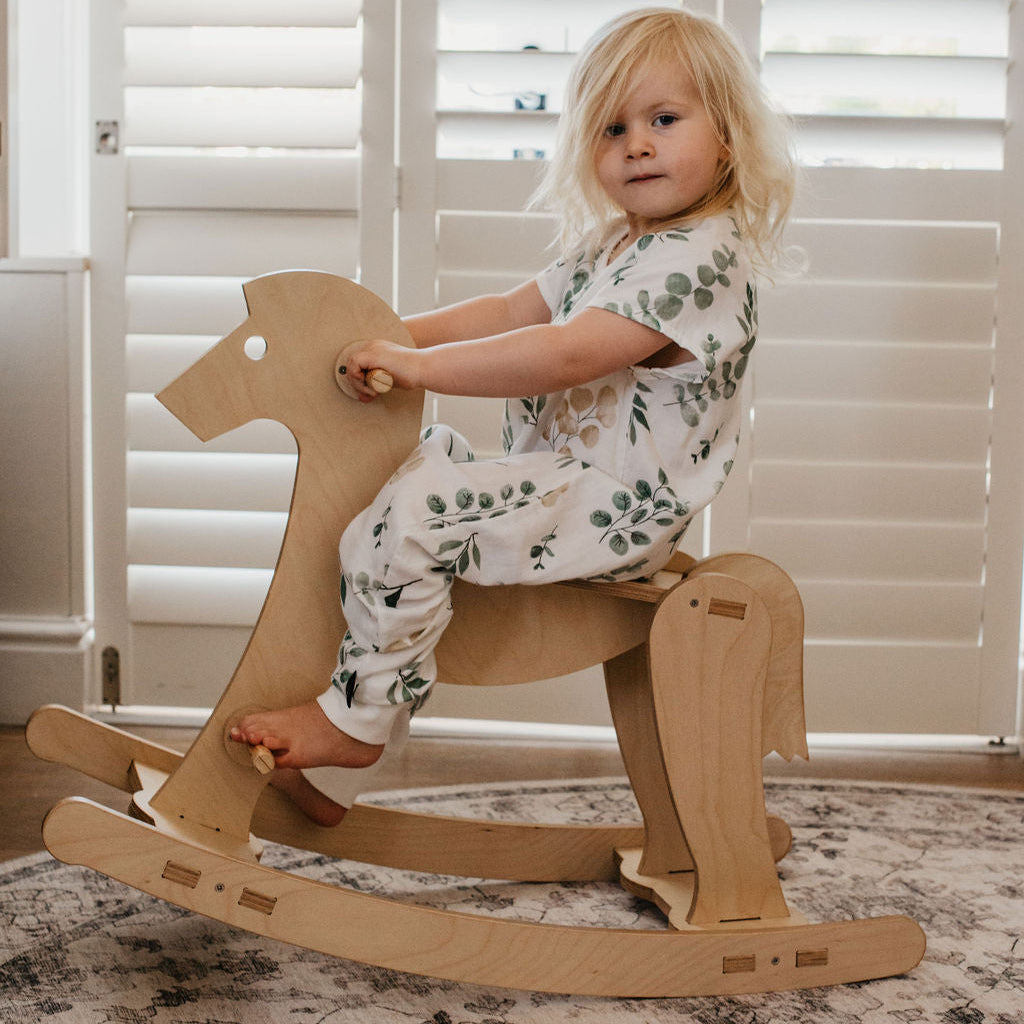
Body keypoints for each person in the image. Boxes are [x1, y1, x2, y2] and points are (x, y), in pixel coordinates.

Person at [231, 5, 797, 825]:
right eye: (611, 128)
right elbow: (507, 311)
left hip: (614, 507)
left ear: (729, 138)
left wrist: (416, 366)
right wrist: (388, 336)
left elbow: (566, 353)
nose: (635, 143)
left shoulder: (698, 264)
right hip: (562, 482)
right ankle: (334, 768)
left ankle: (354, 728)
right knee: (407, 473)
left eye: (663, 120)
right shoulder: (617, 245)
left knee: (423, 509)